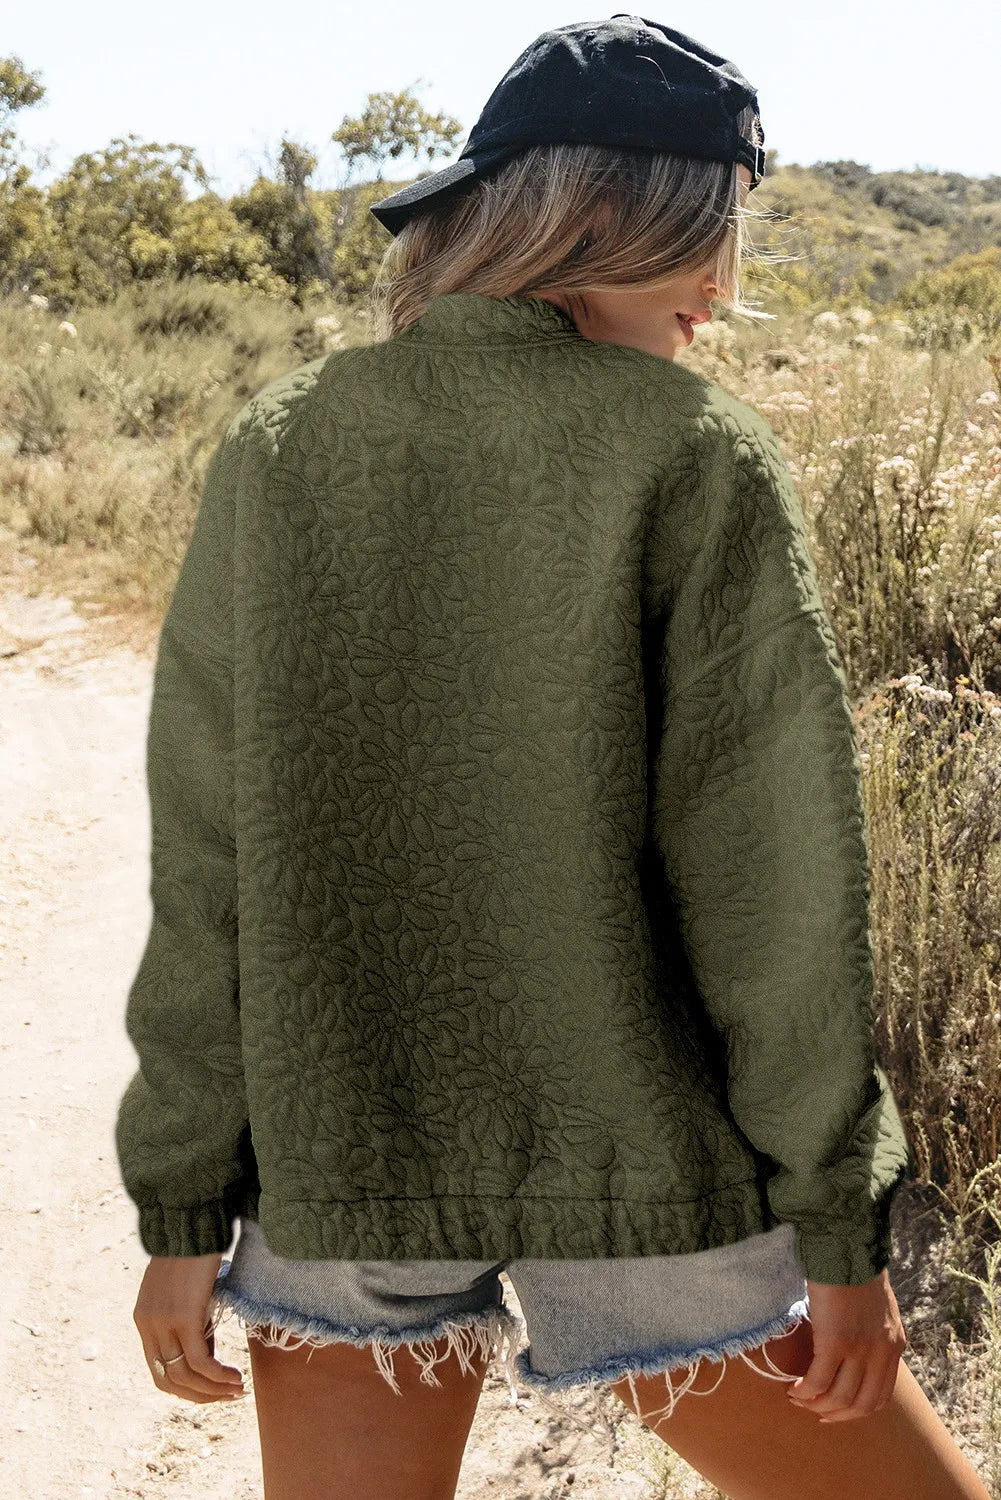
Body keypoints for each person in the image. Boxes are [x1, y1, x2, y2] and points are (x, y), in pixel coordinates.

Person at [115, 16, 993, 1500]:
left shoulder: (280, 441)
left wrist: (183, 1205)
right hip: (641, 1165)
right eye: (709, 229)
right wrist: (841, 1221)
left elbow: (205, 862)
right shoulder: (693, 447)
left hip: (345, 1160)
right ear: (607, 217)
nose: (723, 287)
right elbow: (774, 884)